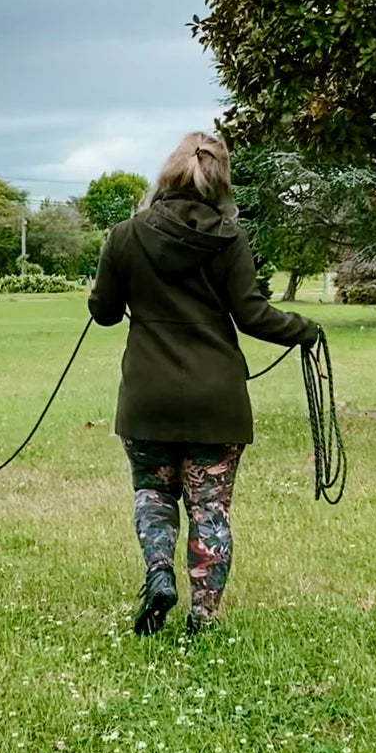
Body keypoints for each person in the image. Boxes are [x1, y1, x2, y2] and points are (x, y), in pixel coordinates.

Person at [88, 131, 321, 635]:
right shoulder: (229, 238)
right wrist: (305, 330)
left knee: (153, 494)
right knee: (209, 508)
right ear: (220, 182)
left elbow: (103, 313)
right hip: (217, 401)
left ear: (167, 173)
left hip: (147, 399)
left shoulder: (124, 235)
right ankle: (204, 617)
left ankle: (158, 575)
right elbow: (252, 315)